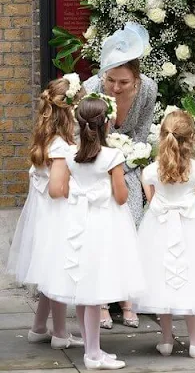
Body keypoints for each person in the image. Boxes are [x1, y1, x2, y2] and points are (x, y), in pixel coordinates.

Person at [41, 93, 145, 369]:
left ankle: (92, 350)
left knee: (83, 289)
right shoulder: (112, 155)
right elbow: (121, 197)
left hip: (76, 223)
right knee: (95, 289)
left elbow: (57, 190)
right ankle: (93, 354)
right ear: (107, 123)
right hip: (105, 225)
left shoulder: (68, 155)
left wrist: (78, 193)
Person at [132, 110, 195, 358]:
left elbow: (153, 203)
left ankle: (166, 340)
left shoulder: (149, 172)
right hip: (190, 230)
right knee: (192, 280)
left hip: (158, 229)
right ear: (191, 139)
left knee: (161, 280)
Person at [83, 22, 157, 329]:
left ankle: (127, 297)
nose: (115, 87)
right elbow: (84, 139)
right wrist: (108, 142)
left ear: (136, 79)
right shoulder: (89, 90)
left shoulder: (149, 89)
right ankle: (101, 300)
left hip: (128, 164)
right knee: (102, 233)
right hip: (95, 166)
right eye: (110, 80)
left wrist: (125, 164)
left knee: (132, 227)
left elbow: (141, 134)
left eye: (123, 82)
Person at [5, 75, 85, 350]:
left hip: (43, 217)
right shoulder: (61, 147)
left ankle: (39, 327)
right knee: (59, 273)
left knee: (50, 271)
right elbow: (56, 189)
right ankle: (60, 333)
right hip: (57, 215)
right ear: (70, 114)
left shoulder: (44, 140)